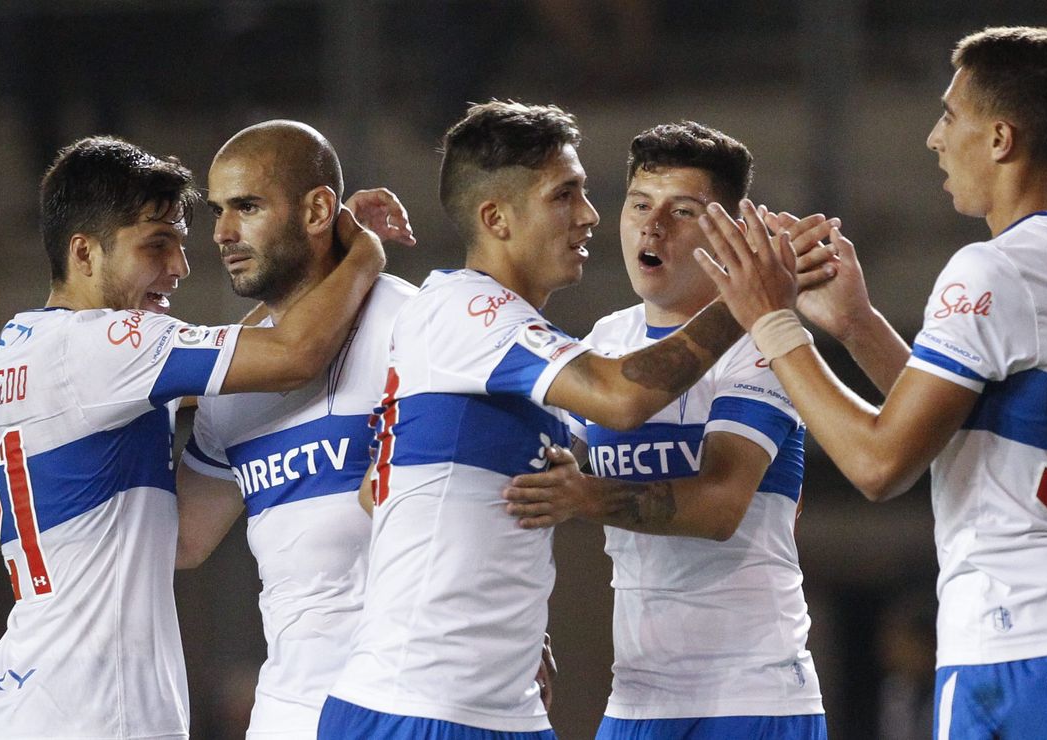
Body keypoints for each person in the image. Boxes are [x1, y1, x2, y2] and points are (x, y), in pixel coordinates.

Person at [695, 26, 1047, 739]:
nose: (935, 139)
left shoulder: (993, 269)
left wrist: (769, 321)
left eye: (949, 116)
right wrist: (857, 324)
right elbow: (975, 419)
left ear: (999, 138)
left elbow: (880, 464)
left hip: (1015, 635)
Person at [321, 101, 748, 739]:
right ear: (496, 217)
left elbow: (377, 492)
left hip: (499, 706)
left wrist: (514, 628)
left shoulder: (511, 341)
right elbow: (622, 398)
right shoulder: (468, 309)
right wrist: (748, 298)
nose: (589, 216)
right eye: (565, 195)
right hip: (418, 707)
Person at [0, 135, 385, 738]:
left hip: (29, 691)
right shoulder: (106, 346)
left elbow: (183, 540)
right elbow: (294, 352)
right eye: (157, 244)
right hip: (93, 707)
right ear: (84, 253)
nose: (179, 268)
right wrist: (364, 255)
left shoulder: (25, 348)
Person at [500, 121, 835, 739]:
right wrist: (519, 626)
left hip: (751, 694)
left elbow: (719, 507)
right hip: (638, 696)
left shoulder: (765, 341)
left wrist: (587, 497)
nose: (653, 227)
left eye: (682, 212)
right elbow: (539, 485)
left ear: (728, 232)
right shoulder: (607, 341)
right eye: (639, 206)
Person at [172, 120, 418, 739]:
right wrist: (33, 509)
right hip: (289, 711)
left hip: (414, 699)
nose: (224, 233)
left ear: (316, 210)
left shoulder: (414, 328)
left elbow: (492, 493)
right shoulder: (232, 384)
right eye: (218, 211)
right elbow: (180, 539)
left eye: (247, 207)